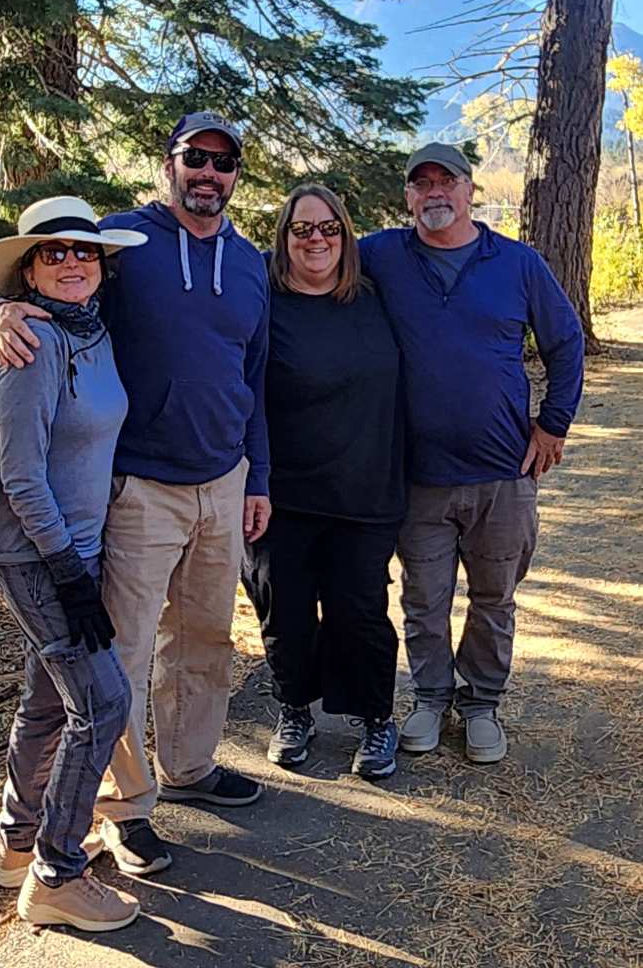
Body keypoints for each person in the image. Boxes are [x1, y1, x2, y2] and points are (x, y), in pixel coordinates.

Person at [0, 112, 271, 877]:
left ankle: (191, 765)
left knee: (205, 638)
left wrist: (259, 476)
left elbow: (255, 375)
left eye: (224, 162)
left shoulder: (249, 264)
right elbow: (51, 289)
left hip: (225, 480)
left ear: (235, 175)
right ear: (169, 164)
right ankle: (124, 809)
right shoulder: (121, 242)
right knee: (125, 655)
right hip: (140, 485)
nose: (209, 173)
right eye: (195, 157)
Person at [359, 142, 585, 763]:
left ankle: (482, 702)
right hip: (418, 475)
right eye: (422, 183)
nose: (435, 192)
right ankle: (431, 698)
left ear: (469, 191)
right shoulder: (382, 255)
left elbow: (566, 343)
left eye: (447, 181)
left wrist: (553, 425)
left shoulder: (516, 263)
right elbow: (308, 263)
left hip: (503, 473)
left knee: (494, 598)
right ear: (408, 196)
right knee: (423, 600)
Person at [0, 196, 147, 929]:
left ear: (101, 265)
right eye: (54, 252)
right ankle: (56, 876)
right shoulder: (32, 345)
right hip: (36, 555)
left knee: (48, 699)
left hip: (78, 549)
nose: (72, 261)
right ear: (30, 271)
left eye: (84, 251)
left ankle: (19, 841)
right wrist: (68, 572)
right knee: (101, 703)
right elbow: (21, 477)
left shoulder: (92, 331)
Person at [243, 184, 406, 778]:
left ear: (346, 235)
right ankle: (295, 709)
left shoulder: (378, 294)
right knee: (283, 613)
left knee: (359, 612)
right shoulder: (260, 295)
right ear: (283, 237)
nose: (317, 239)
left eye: (329, 227)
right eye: (302, 229)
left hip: (366, 487)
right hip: (279, 494)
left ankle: (375, 717)